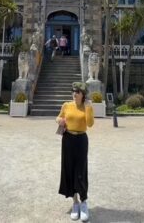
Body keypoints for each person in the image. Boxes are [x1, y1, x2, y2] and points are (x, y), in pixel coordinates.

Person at [56, 82, 94, 221]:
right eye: (73, 91)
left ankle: (84, 203)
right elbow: (58, 117)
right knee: (69, 170)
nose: (74, 94)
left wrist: (89, 108)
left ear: (83, 94)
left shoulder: (87, 106)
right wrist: (59, 120)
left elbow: (90, 124)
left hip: (81, 140)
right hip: (67, 139)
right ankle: (75, 203)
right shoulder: (66, 105)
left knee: (81, 170)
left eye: (77, 92)